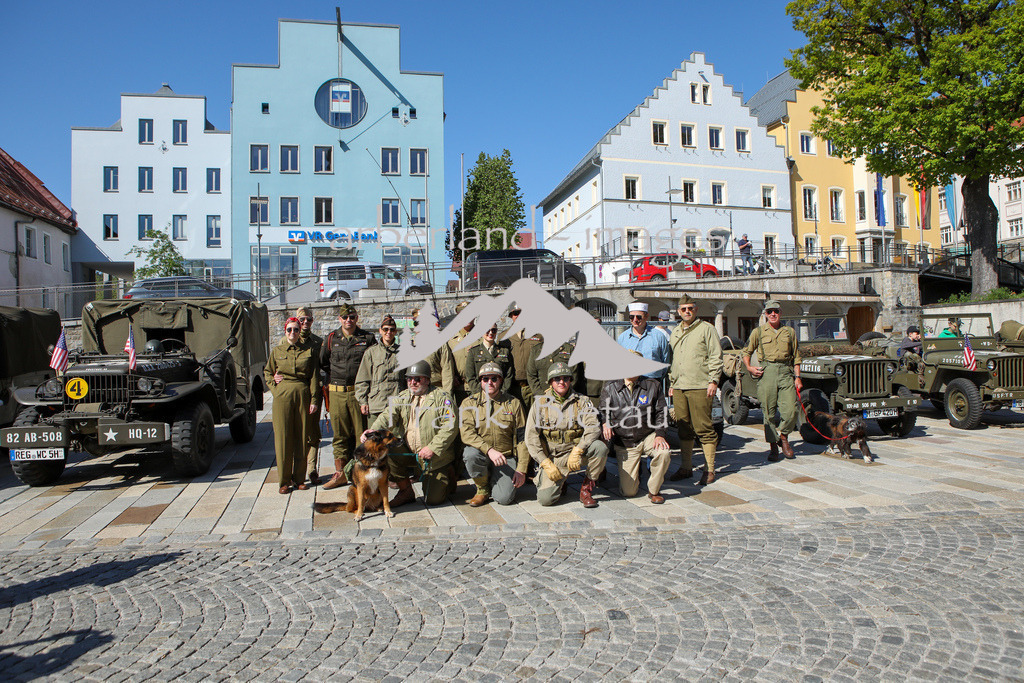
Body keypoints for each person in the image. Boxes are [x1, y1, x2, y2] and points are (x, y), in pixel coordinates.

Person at [367, 360, 458, 507]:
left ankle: (448, 472)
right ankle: (406, 491)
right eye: (409, 378)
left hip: (434, 457)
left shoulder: (442, 398)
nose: (413, 382)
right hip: (410, 452)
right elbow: (387, 416)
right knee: (387, 448)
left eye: (417, 379)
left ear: (427, 380)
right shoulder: (403, 397)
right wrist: (374, 430)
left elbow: (450, 427)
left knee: (433, 500)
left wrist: (432, 448)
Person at [525, 362, 608, 508]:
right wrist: (544, 462)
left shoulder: (582, 401)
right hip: (555, 457)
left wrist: (579, 449)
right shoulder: (540, 404)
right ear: (550, 382)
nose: (561, 382)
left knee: (600, 448)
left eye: (565, 378)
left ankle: (586, 489)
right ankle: (560, 483)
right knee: (546, 500)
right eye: (557, 379)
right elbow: (531, 438)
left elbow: (593, 427)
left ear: (570, 380)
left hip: (578, 452)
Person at [666, 294, 724, 484]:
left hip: (700, 385)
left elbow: (716, 356)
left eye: (690, 308)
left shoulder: (707, 329)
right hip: (680, 386)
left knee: (704, 428)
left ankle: (709, 469)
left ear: (696, 310)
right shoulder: (675, 331)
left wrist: (713, 381)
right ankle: (686, 467)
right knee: (683, 428)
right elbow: (673, 360)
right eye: (683, 309)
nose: (687, 312)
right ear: (678, 311)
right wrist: (672, 383)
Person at [320, 304, 377, 490]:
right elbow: (324, 362)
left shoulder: (367, 338)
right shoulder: (331, 339)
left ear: (357, 318)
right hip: (336, 392)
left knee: (361, 434)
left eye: (352, 317)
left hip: (357, 392)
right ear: (340, 319)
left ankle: (361, 472)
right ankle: (341, 474)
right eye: (345, 317)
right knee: (339, 435)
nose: (348, 320)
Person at [599, 361, 672, 503]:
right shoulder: (610, 387)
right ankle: (635, 473)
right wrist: (605, 422)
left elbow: (662, 412)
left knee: (663, 452)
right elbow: (603, 410)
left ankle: (654, 490)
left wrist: (660, 435)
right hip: (625, 442)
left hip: (647, 436)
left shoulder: (653, 385)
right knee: (629, 492)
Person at [460, 362, 529, 507]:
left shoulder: (513, 403)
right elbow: (466, 434)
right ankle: (482, 489)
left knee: (504, 498)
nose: (489, 382)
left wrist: (521, 469)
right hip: (481, 455)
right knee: (470, 454)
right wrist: (489, 450)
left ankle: (494, 479)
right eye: (485, 379)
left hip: (505, 458)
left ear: (501, 380)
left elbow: (522, 438)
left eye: (494, 378)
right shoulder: (469, 404)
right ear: (480, 381)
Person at [265, 318, 320, 494]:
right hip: (283, 396)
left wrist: (314, 400)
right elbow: (268, 372)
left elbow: (314, 377)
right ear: (285, 331)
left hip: (302, 394)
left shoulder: (309, 351)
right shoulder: (277, 351)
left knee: (302, 436)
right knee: (283, 437)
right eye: (289, 330)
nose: (292, 333)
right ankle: (284, 481)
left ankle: (299, 479)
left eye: (296, 329)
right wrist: (275, 389)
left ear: (299, 331)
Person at [742, 300, 802, 461]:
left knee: (791, 411)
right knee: (768, 412)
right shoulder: (758, 332)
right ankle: (773, 446)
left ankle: (783, 437)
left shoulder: (789, 332)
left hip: (786, 372)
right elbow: (746, 352)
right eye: (769, 311)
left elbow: (796, 356)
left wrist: (798, 377)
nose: (773, 314)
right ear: (765, 314)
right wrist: (749, 368)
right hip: (767, 372)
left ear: (780, 312)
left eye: (775, 311)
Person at [355, 315, 404, 427]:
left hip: (396, 404)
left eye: (392, 330)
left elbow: (409, 380)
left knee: (395, 437)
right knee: (374, 436)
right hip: (376, 404)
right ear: (380, 331)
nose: (388, 332)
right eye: (385, 329)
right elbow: (362, 379)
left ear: (395, 332)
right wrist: (363, 402)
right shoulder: (371, 352)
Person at [295, 306, 325, 486]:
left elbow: (324, 365)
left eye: (309, 319)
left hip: (314, 392)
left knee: (313, 432)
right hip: (296, 392)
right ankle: (297, 470)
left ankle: (312, 469)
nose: (306, 322)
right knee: (298, 432)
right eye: (302, 319)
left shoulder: (318, 342)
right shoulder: (290, 339)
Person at [616, 302, 670, 379]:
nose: (635, 320)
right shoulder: (623, 338)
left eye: (639, 317)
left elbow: (665, 361)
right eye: (631, 317)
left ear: (646, 316)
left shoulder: (659, 336)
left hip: (652, 382)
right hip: (629, 382)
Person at [465, 323, 515, 395]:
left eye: (493, 330)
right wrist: (480, 394)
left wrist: (502, 393)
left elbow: (509, 375)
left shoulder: (504, 351)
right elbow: (470, 376)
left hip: (500, 395)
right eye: (487, 330)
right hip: (480, 395)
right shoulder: (473, 352)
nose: (490, 333)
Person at [506, 306, 541, 408]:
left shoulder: (538, 336)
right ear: (511, 316)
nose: (519, 316)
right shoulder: (503, 337)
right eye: (515, 313)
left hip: (533, 387)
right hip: (512, 388)